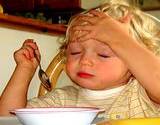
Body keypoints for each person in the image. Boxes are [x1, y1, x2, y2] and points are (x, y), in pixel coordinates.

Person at [1, 1, 160, 124]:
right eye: (75, 52)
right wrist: (23, 71)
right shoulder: (60, 100)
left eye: (103, 54)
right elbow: (7, 118)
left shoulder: (143, 94)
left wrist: (120, 40)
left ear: (133, 60)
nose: (85, 61)